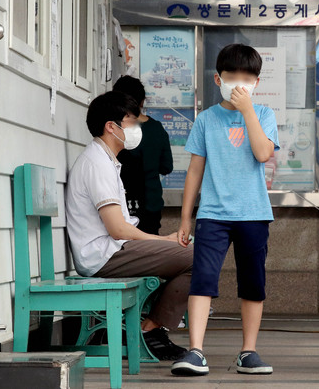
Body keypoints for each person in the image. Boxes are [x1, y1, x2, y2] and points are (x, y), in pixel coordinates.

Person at [170, 44, 279, 376]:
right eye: (232, 77)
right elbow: (194, 171)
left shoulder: (263, 115)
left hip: (254, 214)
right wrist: (186, 218)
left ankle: (248, 351)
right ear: (219, 78)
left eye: (248, 78)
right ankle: (195, 351)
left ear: (257, 82)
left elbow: (263, 154)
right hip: (212, 215)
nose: (240, 84)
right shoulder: (206, 119)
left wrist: (247, 111)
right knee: (202, 280)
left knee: (252, 283)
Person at [65, 91, 191, 360]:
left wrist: (164, 241)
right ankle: (151, 329)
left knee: (198, 255)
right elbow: (118, 229)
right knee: (200, 258)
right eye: (132, 122)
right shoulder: (96, 162)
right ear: (112, 126)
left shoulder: (106, 159)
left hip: (115, 250)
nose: (137, 128)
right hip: (104, 257)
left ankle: (151, 327)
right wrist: (163, 241)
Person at [114, 75, 173, 235]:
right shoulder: (156, 128)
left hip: (121, 203)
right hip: (151, 203)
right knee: (151, 249)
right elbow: (167, 167)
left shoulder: (114, 129)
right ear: (142, 101)